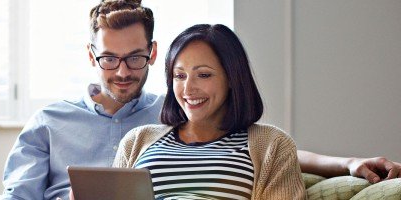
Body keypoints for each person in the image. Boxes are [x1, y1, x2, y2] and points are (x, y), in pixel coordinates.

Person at [2, 1, 401, 200]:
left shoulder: (187, 111)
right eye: (109, 58)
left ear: (152, 53)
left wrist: (349, 163)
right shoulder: (65, 124)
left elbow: (259, 146)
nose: (123, 70)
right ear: (92, 56)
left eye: (135, 58)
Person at [112, 24, 304, 199]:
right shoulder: (136, 141)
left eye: (203, 75)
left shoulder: (273, 145)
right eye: (179, 76)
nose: (187, 89)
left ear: (231, 78)